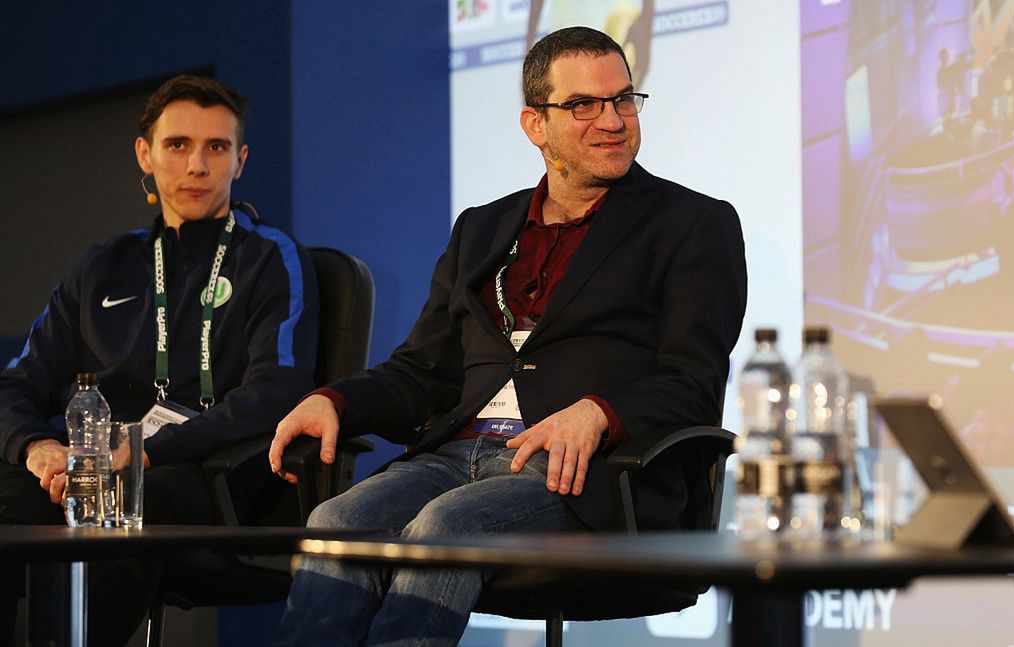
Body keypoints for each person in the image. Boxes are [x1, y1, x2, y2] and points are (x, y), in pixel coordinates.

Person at [270, 26, 746, 646]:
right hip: (455, 456)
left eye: (624, 100)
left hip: (585, 475)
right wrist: (334, 400)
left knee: (444, 526)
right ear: (535, 125)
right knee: (337, 521)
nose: (613, 120)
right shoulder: (482, 227)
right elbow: (422, 370)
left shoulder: (692, 224)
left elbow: (694, 380)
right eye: (583, 105)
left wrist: (601, 413)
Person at [0, 75, 319, 645]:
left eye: (216, 147)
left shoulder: (270, 257)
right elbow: (16, 385)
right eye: (178, 145)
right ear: (145, 154)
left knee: (123, 505)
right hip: (92, 467)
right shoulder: (104, 265)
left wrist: (145, 451)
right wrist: (36, 447)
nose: (197, 165)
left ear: (240, 160)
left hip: (208, 476)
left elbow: (278, 388)